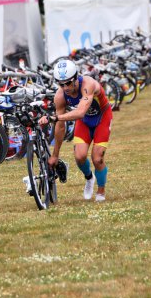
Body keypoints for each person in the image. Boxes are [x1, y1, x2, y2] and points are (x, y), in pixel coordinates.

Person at [38, 59, 113, 202]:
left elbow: (80, 113)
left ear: (75, 78)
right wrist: (55, 155)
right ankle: (89, 178)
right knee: (79, 156)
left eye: (68, 83)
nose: (65, 87)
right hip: (85, 123)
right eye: (61, 84)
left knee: (97, 158)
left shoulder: (88, 84)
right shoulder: (60, 96)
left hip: (102, 118)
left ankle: (101, 190)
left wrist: (55, 117)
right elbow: (60, 125)